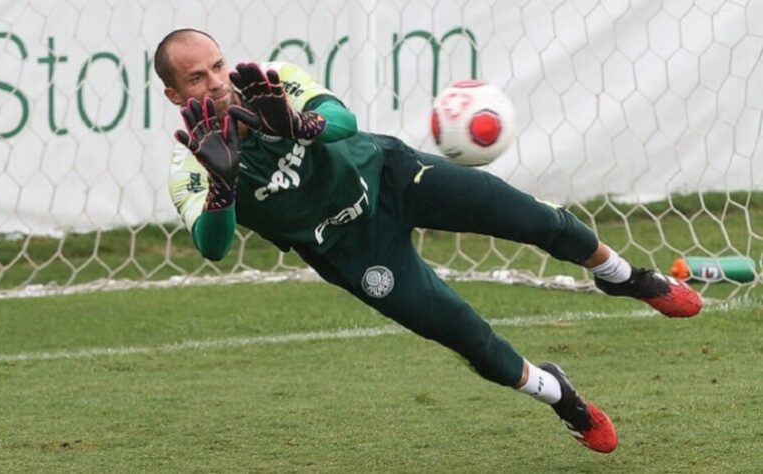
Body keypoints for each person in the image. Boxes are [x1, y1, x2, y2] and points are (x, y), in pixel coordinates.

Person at [154, 28, 702, 454]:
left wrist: (303, 125)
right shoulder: (191, 162)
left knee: (537, 221)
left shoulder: (269, 82)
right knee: (467, 337)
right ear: (174, 93)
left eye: (218, 65)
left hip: (393, 177)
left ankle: (624, 277)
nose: (217, 82)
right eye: (197, 78)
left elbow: (342, 118)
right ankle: (561, 396)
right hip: (355, 252)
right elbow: (212, 244)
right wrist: (224, 187)